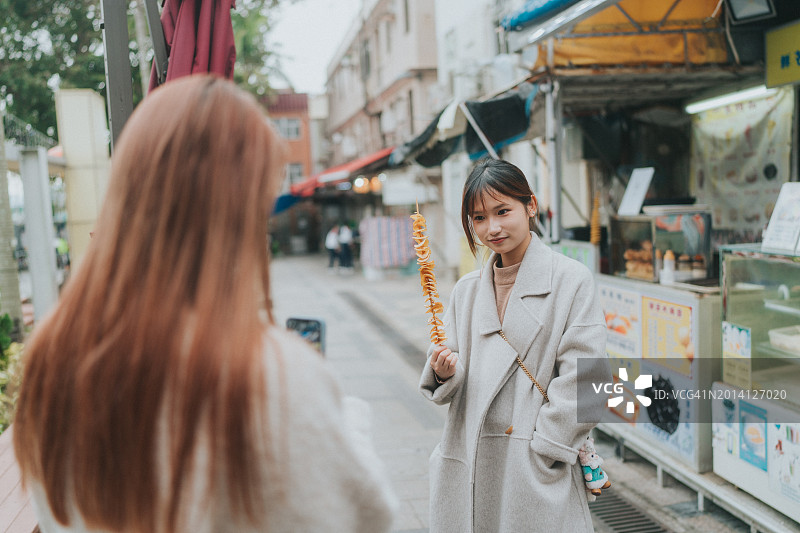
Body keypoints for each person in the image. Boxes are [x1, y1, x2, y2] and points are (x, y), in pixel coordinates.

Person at [13, 75, 395, 533]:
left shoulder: (52, 355)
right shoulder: (271, 374)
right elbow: (365, 519)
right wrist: (347, 420)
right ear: (237, 212)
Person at [419, 158, 611, 533]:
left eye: (502, 211)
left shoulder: (570, 281)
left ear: (531, 206)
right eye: (478, 218)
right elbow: (456, 366)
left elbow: (587, 381)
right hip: (470, 460)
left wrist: (546, 448)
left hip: (530, 467)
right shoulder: (467, 291)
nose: (492, 227)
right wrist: (444, 371)